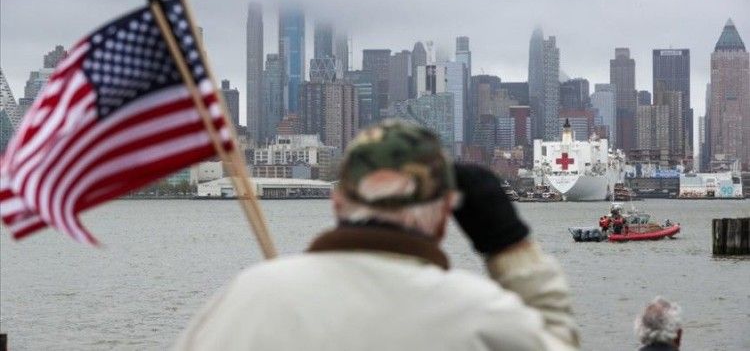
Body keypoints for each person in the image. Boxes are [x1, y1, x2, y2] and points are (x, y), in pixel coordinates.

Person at [174, 120, 580, 350]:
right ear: (444, 215)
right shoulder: (479, 314)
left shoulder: (243, 297)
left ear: (336, 202)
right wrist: (511, 246)